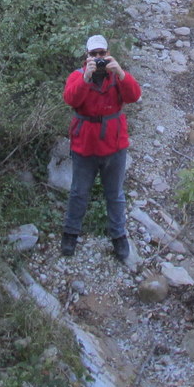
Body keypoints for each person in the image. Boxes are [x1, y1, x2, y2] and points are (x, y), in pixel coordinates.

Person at [61, 34, 142, 263]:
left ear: (108, 53)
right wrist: (86, 78)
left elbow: (134, 96)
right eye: (93, 55)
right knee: (78, 192)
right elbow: (70, 99)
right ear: (86, 56)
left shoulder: (116, 76)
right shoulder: (77, 76)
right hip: (84, 144)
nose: (98, 59)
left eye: (101, 54)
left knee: (115, 194)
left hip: (114, 145)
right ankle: (70, 234)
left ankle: (119, 236)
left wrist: (121, 73)